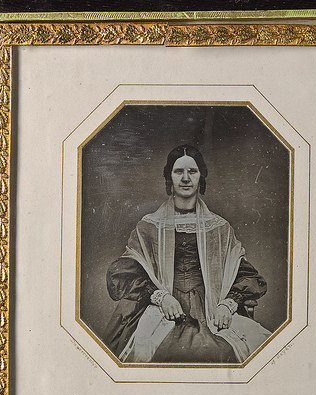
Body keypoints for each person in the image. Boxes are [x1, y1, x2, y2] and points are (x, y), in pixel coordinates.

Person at [101, 145, 270, 363]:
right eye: (178, 171)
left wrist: (227, 304)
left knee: (240, 349)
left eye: (192, 171)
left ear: (201, 177)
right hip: (163, 306)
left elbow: (247, 276)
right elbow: (125, 273)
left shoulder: (219, 228)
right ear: (169, 178)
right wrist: (161, 297)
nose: (185, 178)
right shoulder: (149, 226)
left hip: (210, 308)